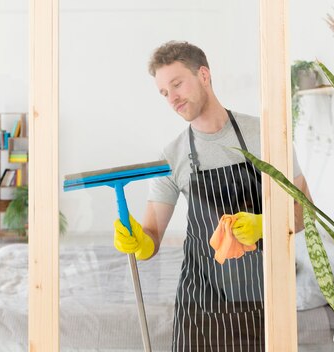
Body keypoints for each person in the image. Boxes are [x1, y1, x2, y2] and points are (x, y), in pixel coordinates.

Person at [113, 40, 312, 351]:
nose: (172, 98)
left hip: (262, 293)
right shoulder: (172, 156)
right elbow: (151, 236)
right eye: (164, 93)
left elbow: (306, 211)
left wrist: (267, 224)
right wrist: (139, 242)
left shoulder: (267, 135)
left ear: (204, 75)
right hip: (200, 301)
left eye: (177, 84)